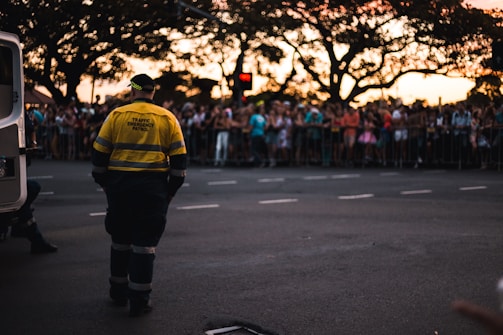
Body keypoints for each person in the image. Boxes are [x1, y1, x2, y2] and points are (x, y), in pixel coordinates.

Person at [91, 74, 187, 317]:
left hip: (120, 187)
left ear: (133, 91)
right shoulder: (167, 118)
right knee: (144, 245)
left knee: (120, 240)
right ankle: (139, 300)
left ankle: (118, 291)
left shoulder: (117, 116)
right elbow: (179, 163)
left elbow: (99, 155)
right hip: (152, 190)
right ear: (152, 92)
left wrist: (105, 184)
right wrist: (170, 192)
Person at [1, 110, 58, 254]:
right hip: (5, 163)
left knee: (20, 194)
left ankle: (15, 225)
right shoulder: (19, 114)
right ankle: (33, 237)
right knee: (23, 194)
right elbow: (29, 127)